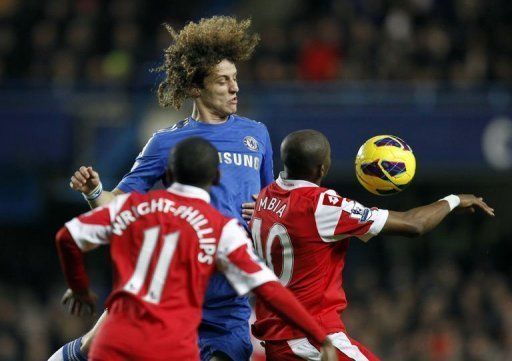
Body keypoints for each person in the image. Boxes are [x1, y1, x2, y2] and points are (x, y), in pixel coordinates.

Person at [49, 16, 273, 361]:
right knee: (94, 346)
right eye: (223, 81)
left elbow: (273, 202)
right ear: (196, 87)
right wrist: (95, 191)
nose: (235, 88)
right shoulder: (165, 143)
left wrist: (266, 210)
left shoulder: (256, 135)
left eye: (236, 79)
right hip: (171, 282)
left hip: (228, 293)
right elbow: (118, 207)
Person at [54, 138, 338, 360]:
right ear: (216, 177)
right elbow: (269, 290)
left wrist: (79, 287)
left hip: (115, 341)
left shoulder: (132, 207)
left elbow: (66, 238)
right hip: (170, 349)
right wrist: (320, 336)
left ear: (168, 172)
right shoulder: (221, 229)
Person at [250, 129, 495, 361]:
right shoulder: (321, 206)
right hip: (310, 339)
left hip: (278, 342)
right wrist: (454, 200)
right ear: (322, 168)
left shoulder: (265, 197)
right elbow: (413, 225)